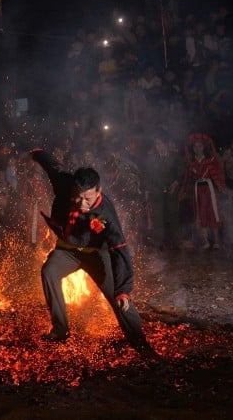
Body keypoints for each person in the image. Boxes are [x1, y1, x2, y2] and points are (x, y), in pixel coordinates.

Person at [30, 148, 155, 356]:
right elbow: (52, 166)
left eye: (88, 198)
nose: (82, 203)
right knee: (49, 271)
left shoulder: (106, 214)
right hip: (68, 250)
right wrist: (37, 154)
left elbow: (120, 251)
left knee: (118, 297)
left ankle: (141, 344)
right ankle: (60, 330)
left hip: (96, 255)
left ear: (98, 191)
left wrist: (124, 289)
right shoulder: (64, 182)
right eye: (78, 197)